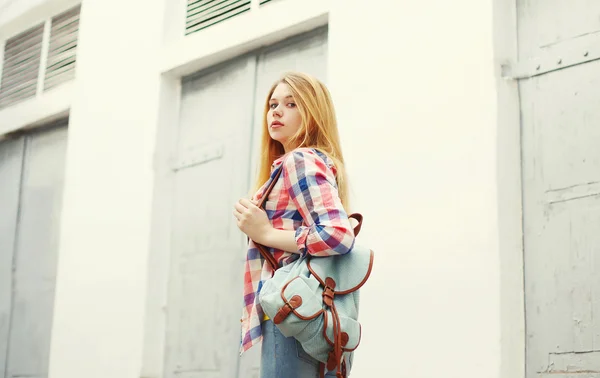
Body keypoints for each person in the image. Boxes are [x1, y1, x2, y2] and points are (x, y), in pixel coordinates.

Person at [233, 72, 356, 377]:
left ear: (314, 114)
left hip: (293, 309)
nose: (276, 111)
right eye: (273, 104)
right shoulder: (301, 162)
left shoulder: (300, 160)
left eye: (291, 104)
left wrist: (265, 233)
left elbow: (338, 235)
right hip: (306, 307)